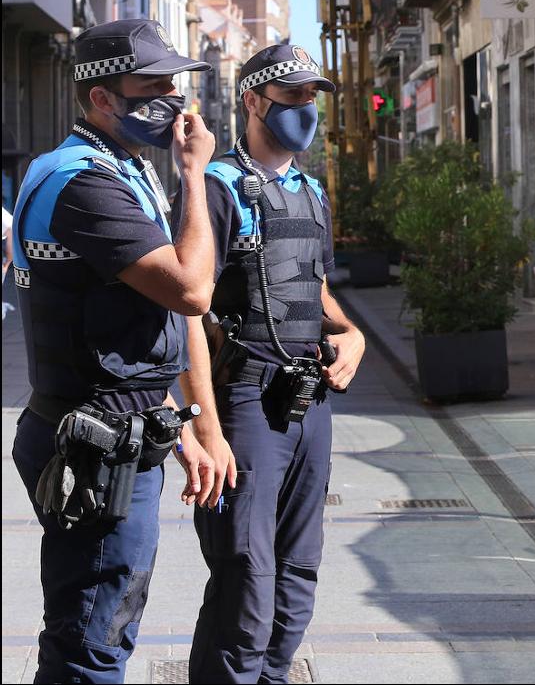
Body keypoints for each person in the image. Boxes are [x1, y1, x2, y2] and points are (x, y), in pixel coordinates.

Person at [9, 18, 220, 683]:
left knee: (98, 624)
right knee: (91, 642)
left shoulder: (118, 170)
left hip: (113, 429)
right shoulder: (83, 182)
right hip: (92, 447)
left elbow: (118, 329)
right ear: (102, 98)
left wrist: (179, 424)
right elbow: (190, 290)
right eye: (152, 84)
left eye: (175, 82)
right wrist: (195, 176)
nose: (173, 98)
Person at [180, 43, 365, 682]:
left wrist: (353, 335)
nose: (305, 110)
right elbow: (186, 304)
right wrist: (202, 423)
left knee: (299, 571)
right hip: (247, 401)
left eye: (312, 98)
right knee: (246, 576)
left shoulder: (310, 191)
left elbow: (309, 285)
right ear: (252, 101)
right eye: (291, 97)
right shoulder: (219, 188)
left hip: (308, 399)